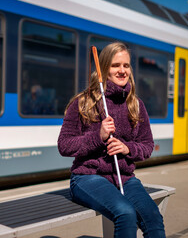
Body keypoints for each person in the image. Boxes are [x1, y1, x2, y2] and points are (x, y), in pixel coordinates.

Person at [57, 42, 165, 238]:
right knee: (125, 213)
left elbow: (147, 146)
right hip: (87, 177)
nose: (122, 70)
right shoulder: (83, 102)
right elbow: (64, 145)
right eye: (116, 65)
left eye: (126, 65)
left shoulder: (135, 104)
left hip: (124, 178)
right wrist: (98, 136)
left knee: (153, 218)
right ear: (104, 68)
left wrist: (127, 148)